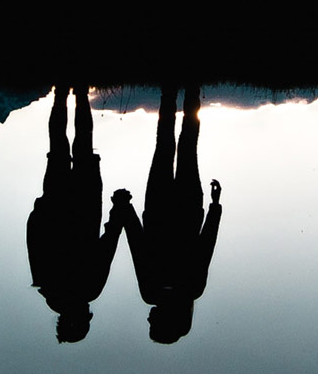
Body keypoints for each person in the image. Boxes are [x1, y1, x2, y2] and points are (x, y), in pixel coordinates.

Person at [111, 84, 221, 344]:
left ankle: (191, 92)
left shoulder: (193, 289)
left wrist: (216, 207)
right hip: (160, 209)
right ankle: (170, 91)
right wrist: (124, 208)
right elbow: (137, 244)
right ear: (164, 319)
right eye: (153, 323)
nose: (148, 318)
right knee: (165, 145)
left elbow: (206, 244)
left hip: (187, 208)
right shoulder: (150, 291)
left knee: (186, 146)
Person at [26, 86, 125, 342]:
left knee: (83, 142)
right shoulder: (47, 287)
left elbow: (109, 242)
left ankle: (79, 92)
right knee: (58, 143)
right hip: (56, 203)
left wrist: (118, 210)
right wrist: (39, 209)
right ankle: (62, 94)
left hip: (85, 203)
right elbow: (34, 239)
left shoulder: (90, 288)